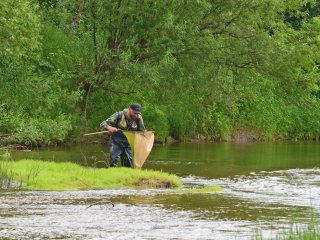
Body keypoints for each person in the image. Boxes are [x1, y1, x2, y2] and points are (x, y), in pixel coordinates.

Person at [100, 103, 145, 167]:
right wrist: (109, 127)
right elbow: (103, 124)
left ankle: (127, 175)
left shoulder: (139, 118)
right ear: (129, 109)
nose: (136, 114)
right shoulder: (119, 115)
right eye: (134, 112)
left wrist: (146, 133)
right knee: (113, 162)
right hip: (116, 141)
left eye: (137, 113)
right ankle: (113, 174)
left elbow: (142, 131)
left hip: (128, 143)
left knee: (129, 164)